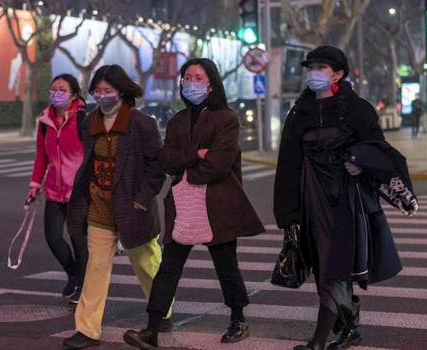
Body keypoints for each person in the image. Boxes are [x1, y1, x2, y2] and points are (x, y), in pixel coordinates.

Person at [273, 46, 418, 350]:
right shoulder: (299, 111)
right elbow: (288, 163)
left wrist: (358, 160)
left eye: (321, 68)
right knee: (323, 268)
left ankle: (317, 342)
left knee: (333, 268)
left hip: (346, 202)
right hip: (310, 201)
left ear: (338, 74)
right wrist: (287, 214)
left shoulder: (358, 109)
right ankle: (350, 329)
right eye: (311, 67)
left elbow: (378, 150)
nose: (314, 73)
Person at [122, 58, 265, 350]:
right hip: (184, 203)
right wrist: (196, 153)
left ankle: (238, 319)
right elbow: (166, 159)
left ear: (210, 84)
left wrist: (187, 168)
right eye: (187, 77)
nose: (191, 82)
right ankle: (151, 328)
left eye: (197, 77)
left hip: (217, 203)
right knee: (169, 266)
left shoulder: (226, 118)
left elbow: (219, 164)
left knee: (226, 265)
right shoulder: (177, 120)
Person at [63, 65, 172, 349]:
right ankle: (86, 329)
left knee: (146, 262)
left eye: (107, 91)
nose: (102, 96)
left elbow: (156, 167)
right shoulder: (89, 122)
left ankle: (163, 308)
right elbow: (88, 163)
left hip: (133, 206)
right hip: (99, 204)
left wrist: (142, 198)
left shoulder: (142, 124)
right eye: (97, 91)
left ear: (121, 91)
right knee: (95, 267)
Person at [28, 74, 88, 304]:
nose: (56, 93)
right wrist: (35, 185)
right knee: (53, 238)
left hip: (78, 192)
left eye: (62, 90)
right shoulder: (45, 121)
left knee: (79, 242)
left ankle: (83, 285)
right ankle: (73, 274)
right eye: (54, 89)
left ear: (73, 94)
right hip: (54, 190)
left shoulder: (84, 119)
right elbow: (41, 155)